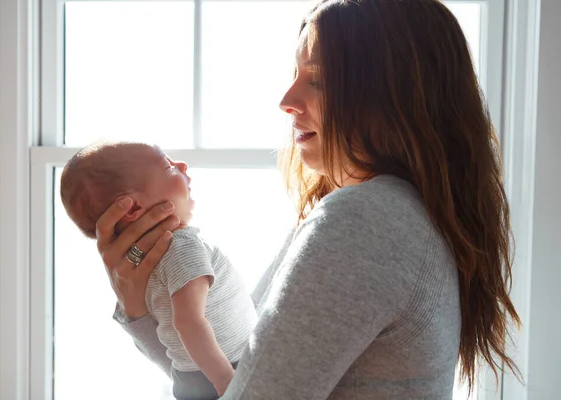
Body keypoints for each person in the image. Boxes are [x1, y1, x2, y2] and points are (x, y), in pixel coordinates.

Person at [94, 0, 522, 398]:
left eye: (316, 79)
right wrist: (138, 307)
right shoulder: (385, 213)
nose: (287, 101)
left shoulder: (366, 222)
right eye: (294, 75)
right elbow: (231, 382)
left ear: (392, 94)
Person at [59, 142, 257, 399]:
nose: (182, 165)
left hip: (190, 377)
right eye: (168, 166)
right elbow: (188, 321)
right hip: (225, 369)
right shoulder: (183, 246)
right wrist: (227, 382)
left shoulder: (146, 265)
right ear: (133, 208)